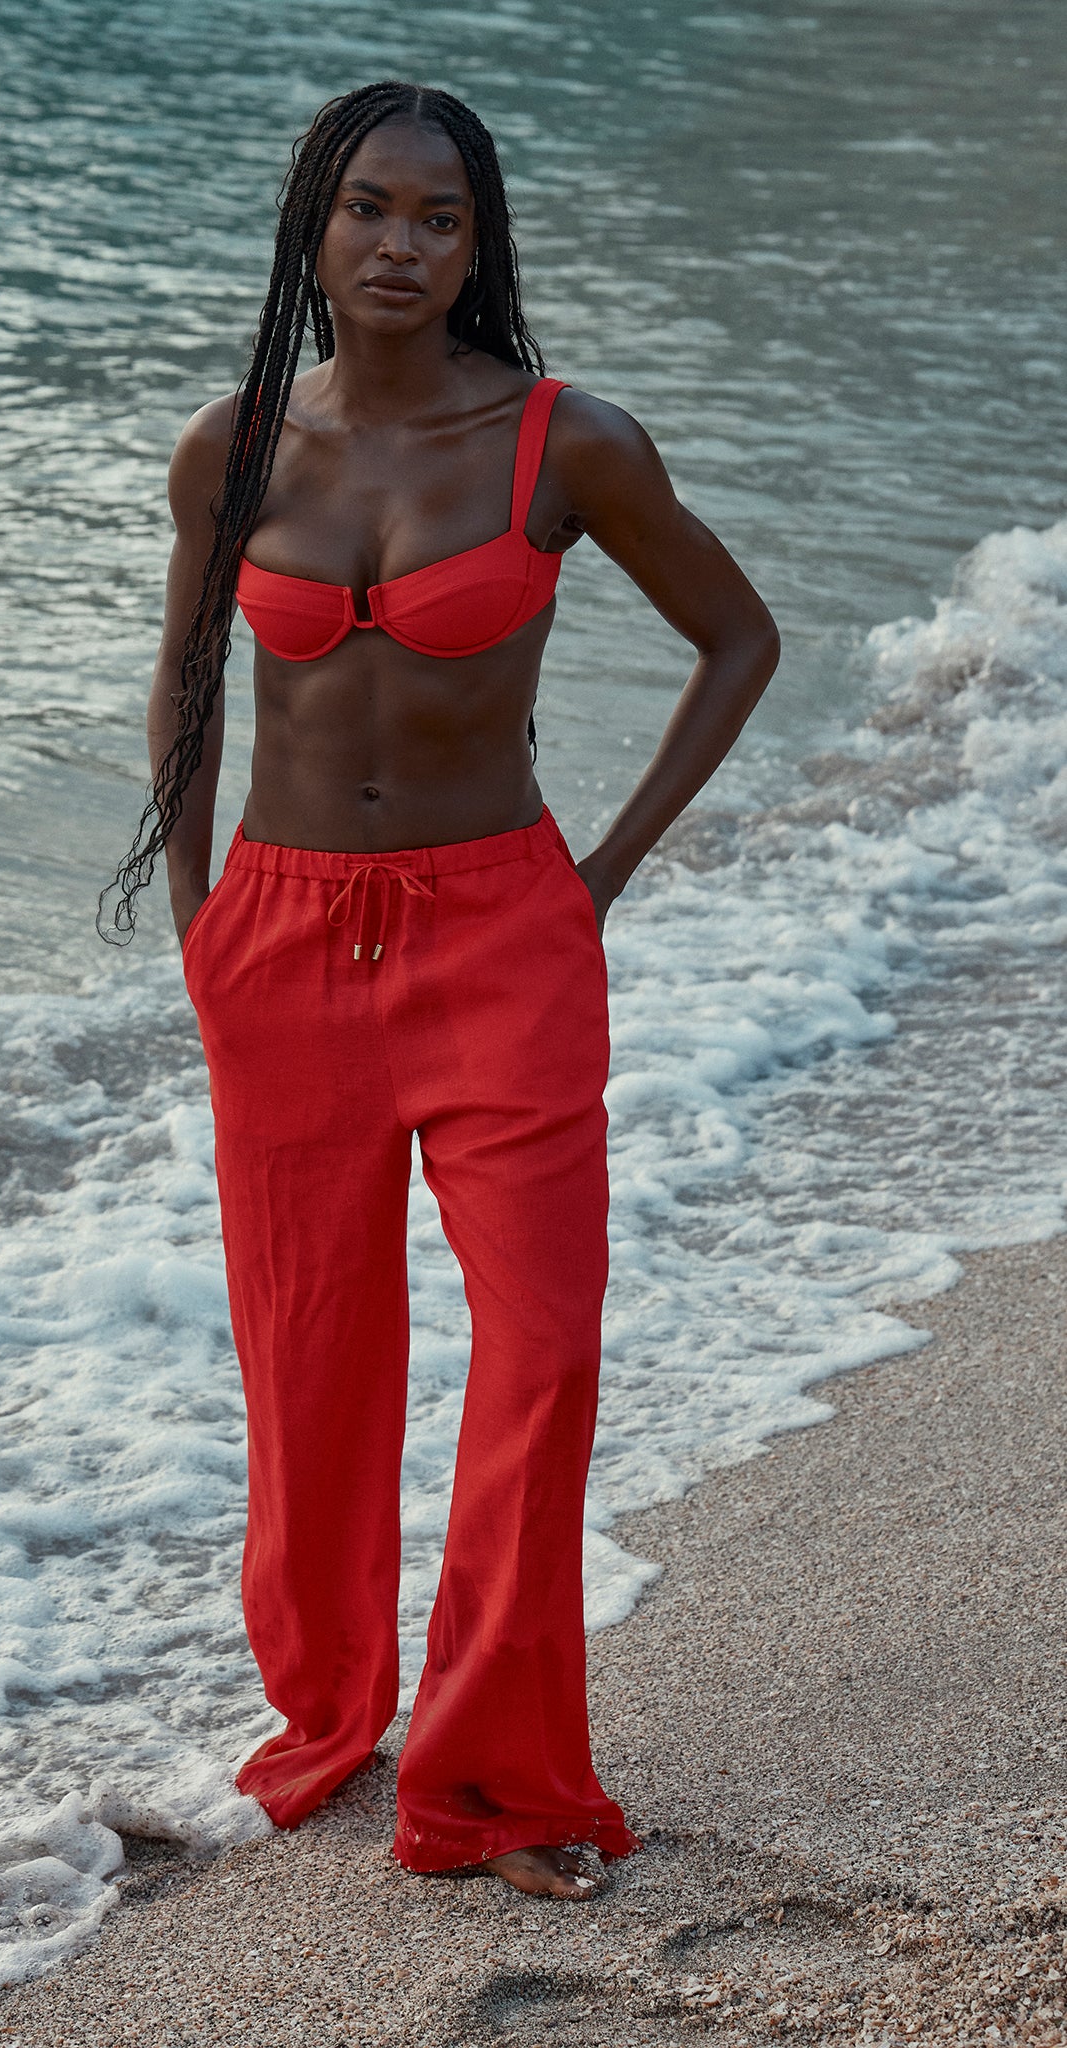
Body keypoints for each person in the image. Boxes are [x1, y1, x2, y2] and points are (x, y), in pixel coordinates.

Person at [101, 80, 779, 1900]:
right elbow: (186, 683)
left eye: (439, 218)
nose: (400, 245)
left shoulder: (567, 443)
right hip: (282, 943)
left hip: (502, 943)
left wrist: (597, 879)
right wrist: (201, 913)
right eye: (368, 208)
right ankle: (329, 1715)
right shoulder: (233, 445)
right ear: (311, 228)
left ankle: (491, 1775)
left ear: (481, 247)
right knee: (308, 1358)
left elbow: (738, 637)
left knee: (543, 1349)